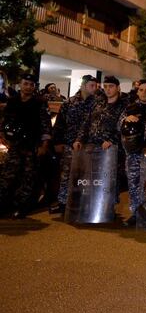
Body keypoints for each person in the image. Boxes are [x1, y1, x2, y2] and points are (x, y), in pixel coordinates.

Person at [0, 74, 52, 218]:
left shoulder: (39, 102)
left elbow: (46, 126)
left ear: (34, 87)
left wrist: (44, 145)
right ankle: (3, 205)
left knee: (27, 178)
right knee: (7, 176)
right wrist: (4, 137)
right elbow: (5, 122)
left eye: (31, 84)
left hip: (32, 145)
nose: (28, 86)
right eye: (26, 83)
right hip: (15, 145)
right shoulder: (13, 101)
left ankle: (21, 207)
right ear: (20, 84)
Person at [51, 75, 99, 214]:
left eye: (95, 85)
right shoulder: (69, 102)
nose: (94, 88)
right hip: (70, 144)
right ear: (83, 85)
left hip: (89, 145)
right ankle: (63, 202)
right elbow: (60, 124)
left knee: (87, 175)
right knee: (67, 174)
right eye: (91, 85)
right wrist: (57, 141)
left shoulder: (97, 103)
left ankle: (84, 203)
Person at [118, 79, 146, 226]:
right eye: (141, 90)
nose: (144, 93)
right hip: (133, 154)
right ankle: (136, 214)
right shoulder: (131, 108)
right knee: (134, 184)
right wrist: (125, 119)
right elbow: (118, 124)